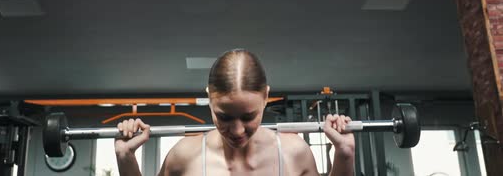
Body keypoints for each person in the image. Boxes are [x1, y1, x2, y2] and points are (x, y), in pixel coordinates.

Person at [114, 49, 355, 175]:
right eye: (224, 117)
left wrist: (344, 156)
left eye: (248, 117)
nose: (237, 130)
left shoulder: (294, 153)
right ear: (209, 98)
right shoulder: (184, 156)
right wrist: (126, 158)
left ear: (266, 97)